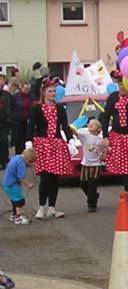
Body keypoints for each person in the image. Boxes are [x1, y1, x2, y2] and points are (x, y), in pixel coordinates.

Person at [26, 77, 74, 219]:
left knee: (54, 178)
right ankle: (41, 207)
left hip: (57, 144)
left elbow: (65, 126)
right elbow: (31, 127)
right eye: (50, 91)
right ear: (44, 93)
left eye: (54, 91)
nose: (53, 94)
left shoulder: (60, 109)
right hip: (42, 144)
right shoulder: (36, 108)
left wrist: (70, 141)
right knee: (45, 177)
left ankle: (52, 207)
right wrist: (28, 142)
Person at [101, 74, 128, 208]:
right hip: (119, 137)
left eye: (124, 84)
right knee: (124, 168)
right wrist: (105, 136)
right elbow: (105, 116)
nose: (122, 87)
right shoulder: (113, 97)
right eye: (119, 84)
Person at [73, 118, 104, 212]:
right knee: (83, 184)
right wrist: (72, 126)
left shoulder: (101, 140)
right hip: (85, 163)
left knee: (92, 184)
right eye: (89, 124)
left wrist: (104, 155)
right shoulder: (85, 136)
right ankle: (94, 195)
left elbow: (105, 149)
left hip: (96, 164)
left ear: (99, 129)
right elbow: (74, 132)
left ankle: (92, 204)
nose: (90, 125)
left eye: (93, 124)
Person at [2, 149, 36, 225]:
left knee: (14, 200)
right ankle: (19, 217)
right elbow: (21, 177)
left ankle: (14, 214)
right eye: (30, 162)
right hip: (13, 185)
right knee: (20, 201)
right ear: (27, 159)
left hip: (7, 183)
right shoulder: (21, 164)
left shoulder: (16, 157)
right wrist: (28, 184)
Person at [11, 80, 36, 154]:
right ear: (21, 88)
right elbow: (12, 108)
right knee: (18, 141)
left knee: (27, 139)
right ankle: (19, 156)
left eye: (28, 89)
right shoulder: (15, 97)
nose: (27, 91)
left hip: (28, 121)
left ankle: (28, 157)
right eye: (25, 89)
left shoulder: (32, 97)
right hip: (18, 121)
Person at [0, 75, 12, 170]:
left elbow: (10, 107)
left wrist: (9, 119)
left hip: (4, 123)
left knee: (3, 142)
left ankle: (5, 160)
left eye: (1, 80)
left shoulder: (7, 95)